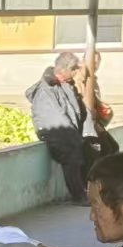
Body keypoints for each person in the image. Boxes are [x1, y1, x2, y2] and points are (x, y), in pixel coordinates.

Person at [28, 50, 94, 203]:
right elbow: (54, 118)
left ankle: (89, 190)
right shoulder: (46, 90)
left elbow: (77, 110)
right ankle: (79, 195)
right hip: (55, 133)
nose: (76, 72)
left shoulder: (65, 85)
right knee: (72, 156)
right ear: (64, 70)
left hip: (67, 131)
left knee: (96, 148)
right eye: (74, 69)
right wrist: (74, 136)